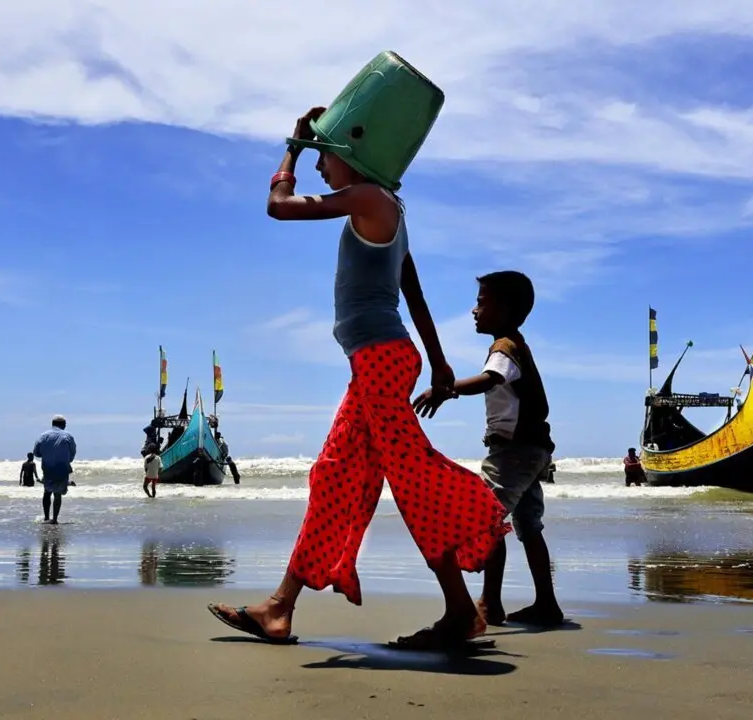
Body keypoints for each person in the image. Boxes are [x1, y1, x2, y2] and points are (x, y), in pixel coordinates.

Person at [206, 107, 509, 650]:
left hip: (380, 362)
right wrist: (437, 361)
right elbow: (410, 287)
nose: (322, 166)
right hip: (378, 361)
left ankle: (462, 608)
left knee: (414, 480)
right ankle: (279, 608)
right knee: (335, 477)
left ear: (352, 154)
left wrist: (292, 149)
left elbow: (277, 208)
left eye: (327, 154)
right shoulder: (384, 209)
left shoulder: (369, 199)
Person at [414, 271, 563, 629]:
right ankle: (547, 604)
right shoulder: (515, 345)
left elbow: (490, 380)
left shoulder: (504, 347)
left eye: (482, 302)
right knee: (529, 528)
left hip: (513, 453)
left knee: (488, 519)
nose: (473, 310)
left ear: (506, 309)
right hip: (531, 450)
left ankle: (489, 602)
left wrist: (445, 389)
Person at [33, 415, 77, 524]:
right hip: (62, 467)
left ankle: (46, 517)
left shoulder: (43, 436)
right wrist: (67, 459)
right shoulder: (68, 436)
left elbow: (36, 452)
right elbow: (72, 453)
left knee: (47, 492)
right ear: (63, 424)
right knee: (57, 494)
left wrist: (47, 454)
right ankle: (55, 519)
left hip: (48, 467)